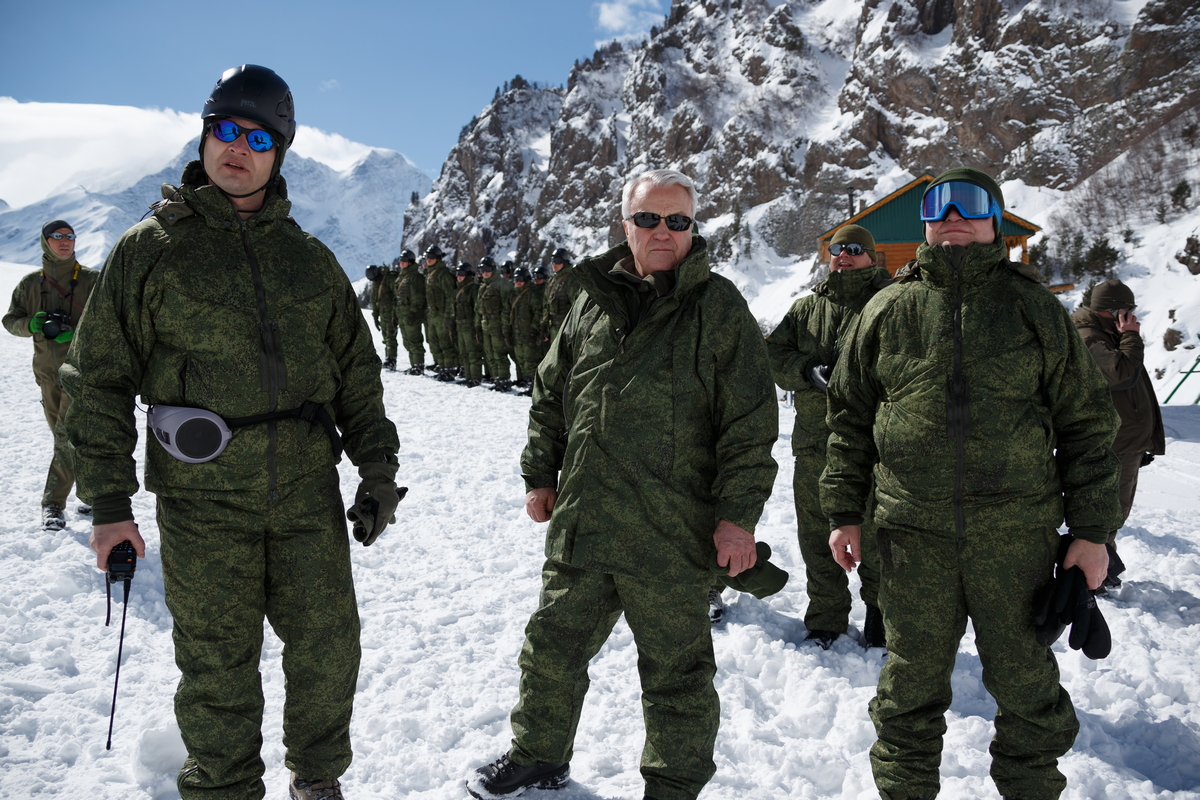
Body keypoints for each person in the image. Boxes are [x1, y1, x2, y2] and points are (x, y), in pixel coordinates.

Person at [60, 65, 401, 800]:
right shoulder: (150, 250)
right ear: (205, 136)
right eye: (224, 131)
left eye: (256, 137)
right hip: (203, 501)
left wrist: (376, 470)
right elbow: (97, 382)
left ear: (279, 152)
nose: (236, 149)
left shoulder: (310, 261)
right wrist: (111, 505)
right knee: (217, 666)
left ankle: (318, 781)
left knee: (329, 648)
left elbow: (357, 376)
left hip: (307, 496)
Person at [467, 168, 778, 800]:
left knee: (677, 673)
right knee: (551, 648)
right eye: (647, 219)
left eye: (677, 221)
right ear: (626, 225)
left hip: (672, 532)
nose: (662, 231)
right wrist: (540, 473)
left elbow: (749, 425)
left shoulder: (718, 309)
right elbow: (551, 393)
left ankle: (673, 783)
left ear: (693, 229)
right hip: (585, 519)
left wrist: (738, 517)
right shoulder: (591, 301)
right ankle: (539, 756)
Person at [821, 167, 1121, 800]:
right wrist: (842, 513)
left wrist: (1092, 532)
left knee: (1027, 691)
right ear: (926, 221)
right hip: (910, 538)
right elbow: (847, 420)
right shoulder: (887, 308)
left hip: (1016, 540)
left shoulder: (1034, 307)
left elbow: (1090, 424)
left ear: (995, 219)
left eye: (971, 202)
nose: (953, 213)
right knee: (908, 692)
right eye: (938, 203)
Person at [766, 223, 892, 649]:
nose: (845, 255)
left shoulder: (891, 302)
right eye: (837, 248)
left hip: (876, 447)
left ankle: (880, 615)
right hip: (815, 446)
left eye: (856, 248)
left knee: (877, 536)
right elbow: (772, 354)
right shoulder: (805, 309)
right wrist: (806, 371)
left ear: (871, 257)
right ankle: (825, 618)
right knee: (818, 537)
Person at [3, 220, 100, 530]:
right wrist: (30, 325)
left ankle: (53, 505)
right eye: (57, 236)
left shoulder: (91, 281)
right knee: (69, 439)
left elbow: (109, 322)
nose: (65, 241)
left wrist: (73, 335)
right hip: (46, 376)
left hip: (80, 374)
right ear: (45, 241)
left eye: (70, 236)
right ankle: (92, 495)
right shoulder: (31, 284)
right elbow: (9, 320)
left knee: (66, 436)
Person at [1072, 278, 1164, 585]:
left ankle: (1101, 569)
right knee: (1108, 512)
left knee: (1116, 510)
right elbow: (1121, 374)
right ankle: (1091, 576)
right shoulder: (1089, 337)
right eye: (1126, 311)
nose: (1132, 317)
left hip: (1127, 441)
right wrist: (1131, 338)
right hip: (1113, 442)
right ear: (1112, 311)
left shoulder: (1108, 334)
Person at [475, 257, 513, 392]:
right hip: (485, 325)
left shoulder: (502, 283)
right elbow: (477, 309)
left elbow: (506, 307)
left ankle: (504, 379)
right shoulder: (482, 287)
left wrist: (505, 327)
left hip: (497, 325)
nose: (485, 272)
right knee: (489, 354)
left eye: (488, 269)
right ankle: (496, 378)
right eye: (482, 270)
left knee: (499, 353)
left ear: (493, 269)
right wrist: (477, 327)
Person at [423, 244, 458, 379]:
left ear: (437, 258)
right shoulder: (431, 273)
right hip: (432, 314)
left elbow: (450, 296)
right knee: (433, 341)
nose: (429, 259)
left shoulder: (443, 274)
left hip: (442, 314)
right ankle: (442, 367)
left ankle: (448, 370)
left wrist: (449, 315)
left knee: (445, 343)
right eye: (427, 256)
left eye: (431, 257)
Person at [508, 266, 543, 391]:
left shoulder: (533, 294)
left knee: (531, 361)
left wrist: (533, 331)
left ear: (527, 279)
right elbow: (508, 314)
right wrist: (508, 332)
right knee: (521, 361)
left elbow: (539, 313)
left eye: (521, 279)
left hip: (529, 334)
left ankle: (535, 388)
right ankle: (528, 384)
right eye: (516, 279)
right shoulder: (513, 295)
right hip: (517, 334)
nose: (518, 281)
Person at [395, 249, 427, 374]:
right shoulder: (402, 277)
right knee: (407, 341)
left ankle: (419, 366)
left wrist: (414, 312)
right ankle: (414, 365)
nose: (401, 263)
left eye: (404, 261)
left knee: (415, 340)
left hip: (410, 314)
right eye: (400, 260)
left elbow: (418, 297)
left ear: (410, 262)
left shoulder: (415, 277)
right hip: (402, 313)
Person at [452, 262, 484, 387]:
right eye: (457, 274)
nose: (459, 277)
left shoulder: (473, 289)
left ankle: (475, 377)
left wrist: (476, 327)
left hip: (470, 326)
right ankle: (468, 376)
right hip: (460, 326)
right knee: (464, 352)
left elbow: (477, 309)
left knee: (473, 353)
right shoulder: (458, 290)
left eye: (462, 274)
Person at [541, 247, 579, 343]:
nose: (554, 264)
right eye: (552, 260)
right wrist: (544, 325)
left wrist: (573, 329)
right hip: (553, 329)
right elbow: (546, 304)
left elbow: (577, 306)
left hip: (567, 330)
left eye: (557, 261)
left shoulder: (571, 279)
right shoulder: (551, 281)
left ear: (564, 262)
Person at [370, 262, 398, 371]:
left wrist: (395, 314)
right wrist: (375, 317)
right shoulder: (375, 283)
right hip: (383, 314)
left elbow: (397, 295)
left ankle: (392, 359)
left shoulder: (389, 278)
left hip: (391, 313)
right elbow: (374, 301)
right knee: (386, 337)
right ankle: (388, 357)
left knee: (390, 336)